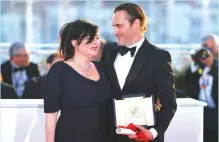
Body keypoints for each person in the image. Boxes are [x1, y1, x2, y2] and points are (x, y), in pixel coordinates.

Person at [100, 3, 177, 142]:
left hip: (143, 137)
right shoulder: (108, 51)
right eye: (113, 27)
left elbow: (169, 103)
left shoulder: (158, 57)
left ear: (136, 24)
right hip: (110, 136)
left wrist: (153, 133)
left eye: (119, 26)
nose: (114, 32)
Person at [43, 20, 112, 142]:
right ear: (74, 42)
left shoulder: (102, 68)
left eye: (96, 38)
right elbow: (51, 117)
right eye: (89, 38)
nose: (95, 42)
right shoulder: (59, 70)